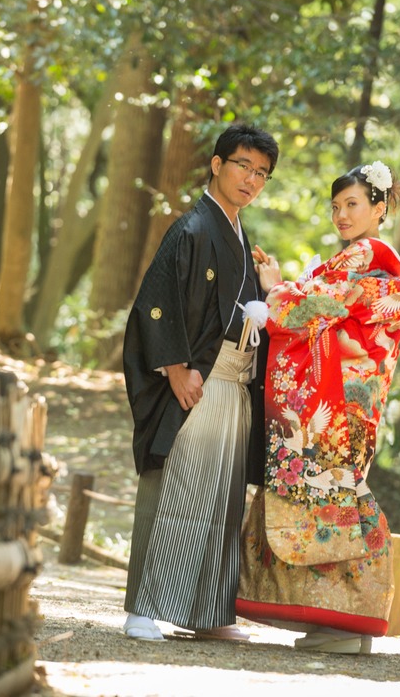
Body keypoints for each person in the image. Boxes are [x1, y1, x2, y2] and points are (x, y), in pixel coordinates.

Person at [235, 161, 400, 655]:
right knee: (339, 495)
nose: (341, 215)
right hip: (354, 403)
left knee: (330, 495)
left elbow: (311, 304)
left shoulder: (364, 256)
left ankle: (344, 620)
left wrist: (275, 288)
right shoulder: (379, 265)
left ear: (379, 208)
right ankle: (345, 622)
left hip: (335, 400)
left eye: (352, 204)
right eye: (336, 207)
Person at [121, 123, 280, 642]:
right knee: (174, 488)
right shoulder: (191, 229)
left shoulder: (239, 236)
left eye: (261, 173)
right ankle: (143, 608)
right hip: (196, 379)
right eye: (242, 166)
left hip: (233, 383)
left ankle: (207, 613)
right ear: (217, 165)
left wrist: (271, 290)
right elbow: (156, 302)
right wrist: (174, 368)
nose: (251, 179)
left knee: (220, 501)